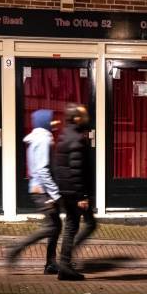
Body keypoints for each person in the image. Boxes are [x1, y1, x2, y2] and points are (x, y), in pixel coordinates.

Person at [6, 109, 62, 274]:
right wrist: (55, 193)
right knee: (52, 227)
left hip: (40, 189)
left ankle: (50, 264)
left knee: (55, 225)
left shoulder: (37, 138)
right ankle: (17, 248)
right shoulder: (43, 140)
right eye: (51, 121)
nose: (54, 124)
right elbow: (43, 169)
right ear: (44, 122)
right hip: (43, 191)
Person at [52, 103, 96, 281]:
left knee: (75, 225)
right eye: (83, 116)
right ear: (76, 118)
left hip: (66, 191)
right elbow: (76, 169)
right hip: (75, 194)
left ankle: (66, 264)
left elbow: (60, 166)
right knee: (77, 226)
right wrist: (82, 196)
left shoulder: (65, 134)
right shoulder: (77, 138)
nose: (86, 119)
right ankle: (66, 264)